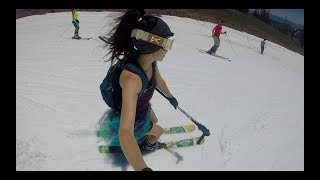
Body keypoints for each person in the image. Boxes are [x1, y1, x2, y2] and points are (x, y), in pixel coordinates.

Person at [97, 9, 178, 171]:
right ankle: (148, 145)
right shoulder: (131, 79)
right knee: (158, 131)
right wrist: (142, 168)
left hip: (142, 106)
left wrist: (170, 97)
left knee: (154, 120)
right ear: (153, 44)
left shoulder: (150, 62)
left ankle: (144, 136)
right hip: (134, 119)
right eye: (167, 44)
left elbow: (158, 80)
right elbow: (125, 130)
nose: (168, 49)